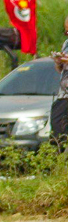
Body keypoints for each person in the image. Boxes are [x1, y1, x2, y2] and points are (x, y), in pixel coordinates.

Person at [51, 15, 68, 144]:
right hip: (64, 93)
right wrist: (58, 61)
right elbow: (60, 70)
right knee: (57, 128)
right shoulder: (66, 43)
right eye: (66, 32)